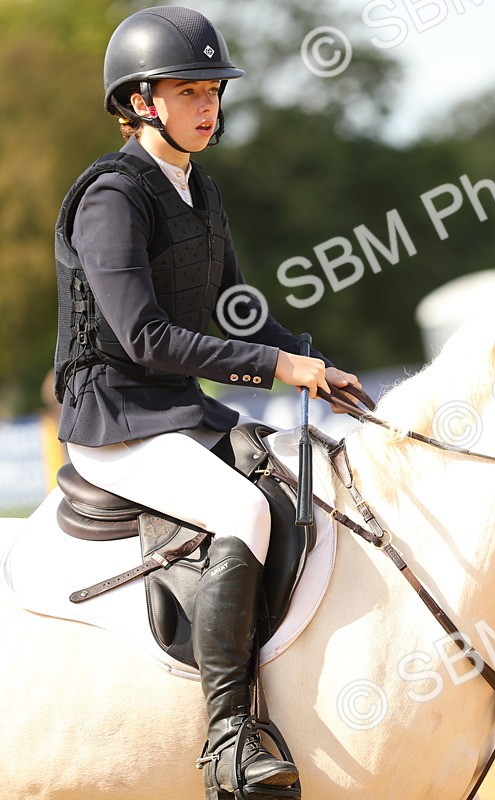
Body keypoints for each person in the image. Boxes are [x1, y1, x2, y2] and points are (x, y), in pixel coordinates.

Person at [52, 6, 359, 797]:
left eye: (213, 90)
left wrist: (318, 363)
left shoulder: (200, 191)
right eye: (189, 91)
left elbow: (235, 308)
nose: (207, 105)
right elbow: (147, 338)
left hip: (176, 411)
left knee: (296, 479)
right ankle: (227, 735)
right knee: (243, 511)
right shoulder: (112, 199)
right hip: (113, 418)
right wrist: (276, 367)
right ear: (142, 103)